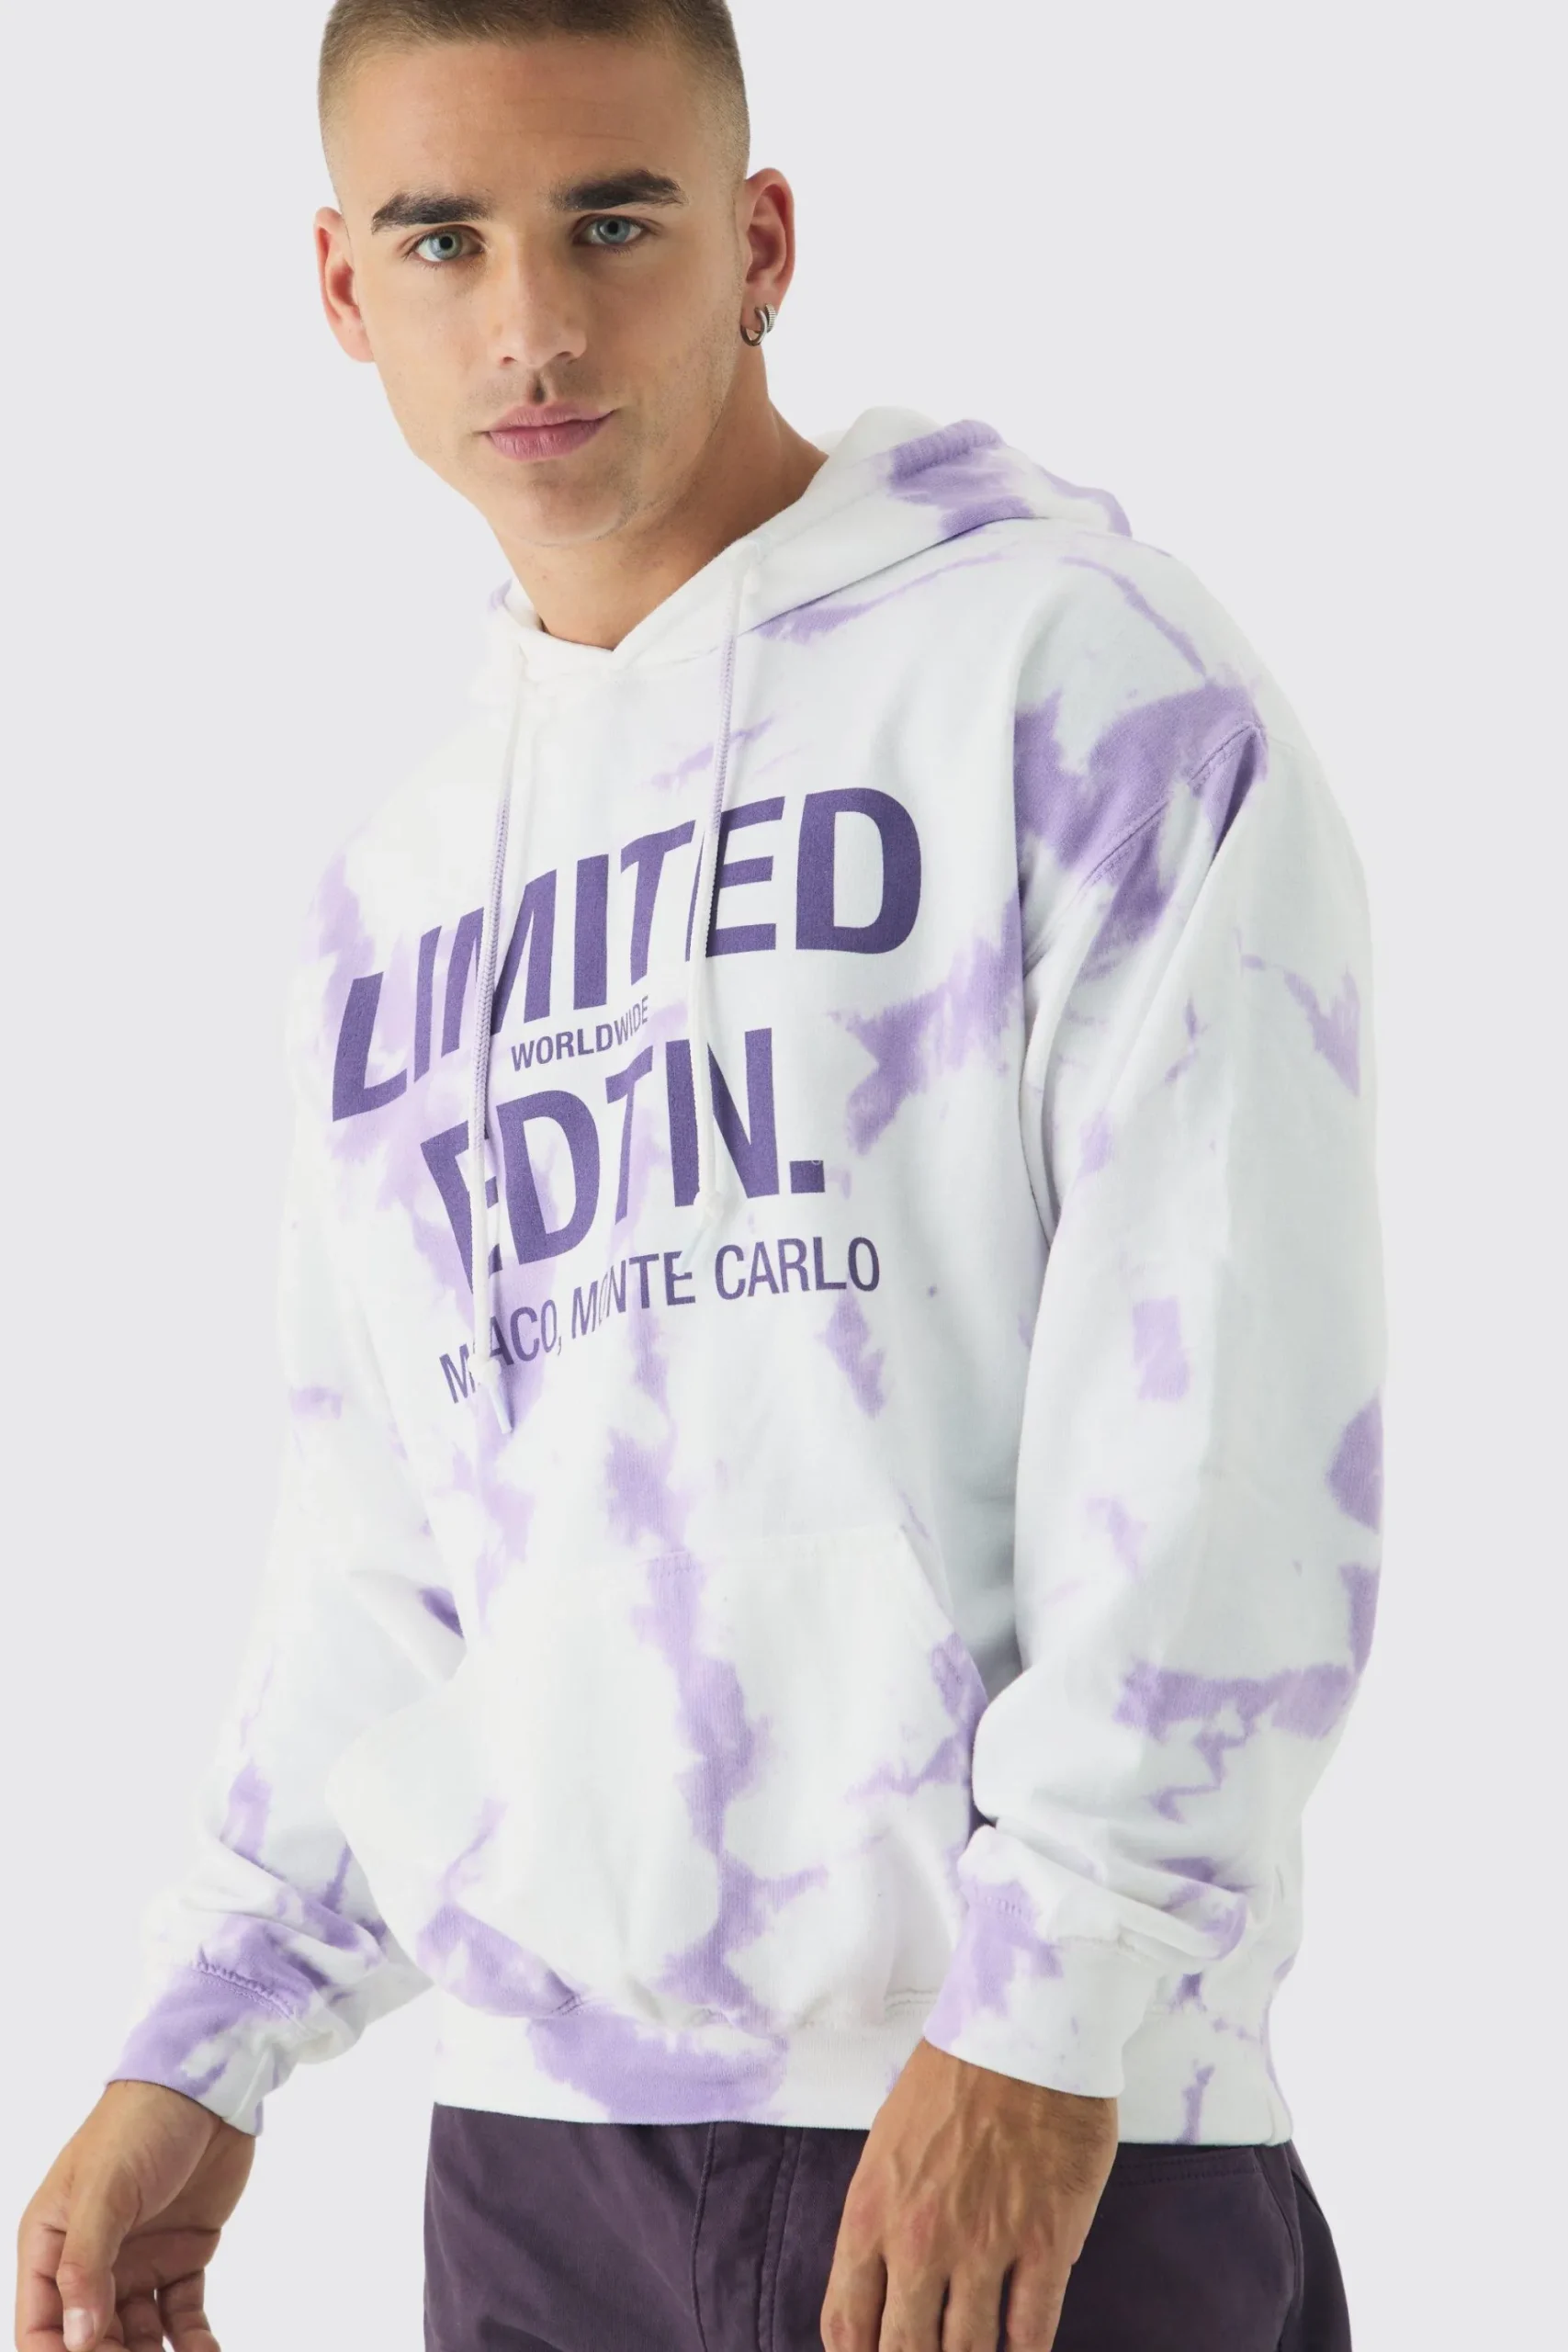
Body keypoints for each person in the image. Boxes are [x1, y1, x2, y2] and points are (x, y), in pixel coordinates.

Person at [14, 4, 1386, 2348]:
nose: (531, 324)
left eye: (612, 224)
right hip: (538, 2160)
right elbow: (389, 1542)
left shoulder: (1073, 687)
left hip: (1017, 2123)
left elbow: (1230, 1408)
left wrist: (1053, 1999)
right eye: (443, 240)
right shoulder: (404, 893)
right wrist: (208, 2035)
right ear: (343, 287)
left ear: (757, 244)